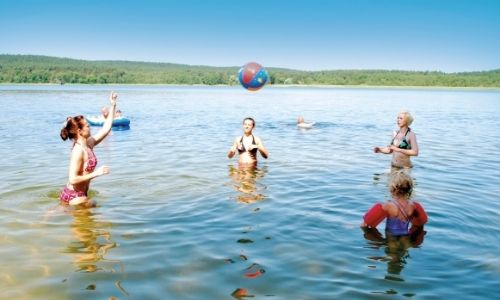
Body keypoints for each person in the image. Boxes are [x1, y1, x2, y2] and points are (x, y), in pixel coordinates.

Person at [59, 92, 118, 207]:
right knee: (93, 206)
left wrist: (113, 105)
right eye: (87, 125)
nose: (89, 126)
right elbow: (73, 179)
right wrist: (97, 173)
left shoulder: (89, 143)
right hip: (74, 195)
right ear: (79, 131)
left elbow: (106, 129)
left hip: (81, 194)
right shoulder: (78, 151)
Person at [361, 170, 428, 236]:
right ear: (410, 189)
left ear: (392, 189)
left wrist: (379, 241)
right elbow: (421, 222)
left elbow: (365, 225)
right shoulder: (413, 206)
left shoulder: (387, 206)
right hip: (405, 242)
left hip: (391, 242)